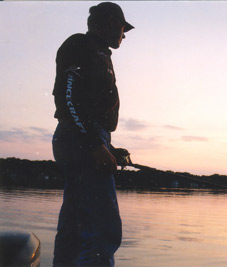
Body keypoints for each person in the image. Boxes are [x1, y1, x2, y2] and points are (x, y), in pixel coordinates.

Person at [51, 2, 133, 266]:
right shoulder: (80, 45)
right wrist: (96, 144)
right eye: (123, 28)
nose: (124, 35)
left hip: (86, 139)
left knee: (75, 225)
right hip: (81, 140)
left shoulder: (101, 54)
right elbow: (68, 99)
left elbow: (86, 110)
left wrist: (108, 146)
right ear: (110, 23)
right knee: (103, 228)